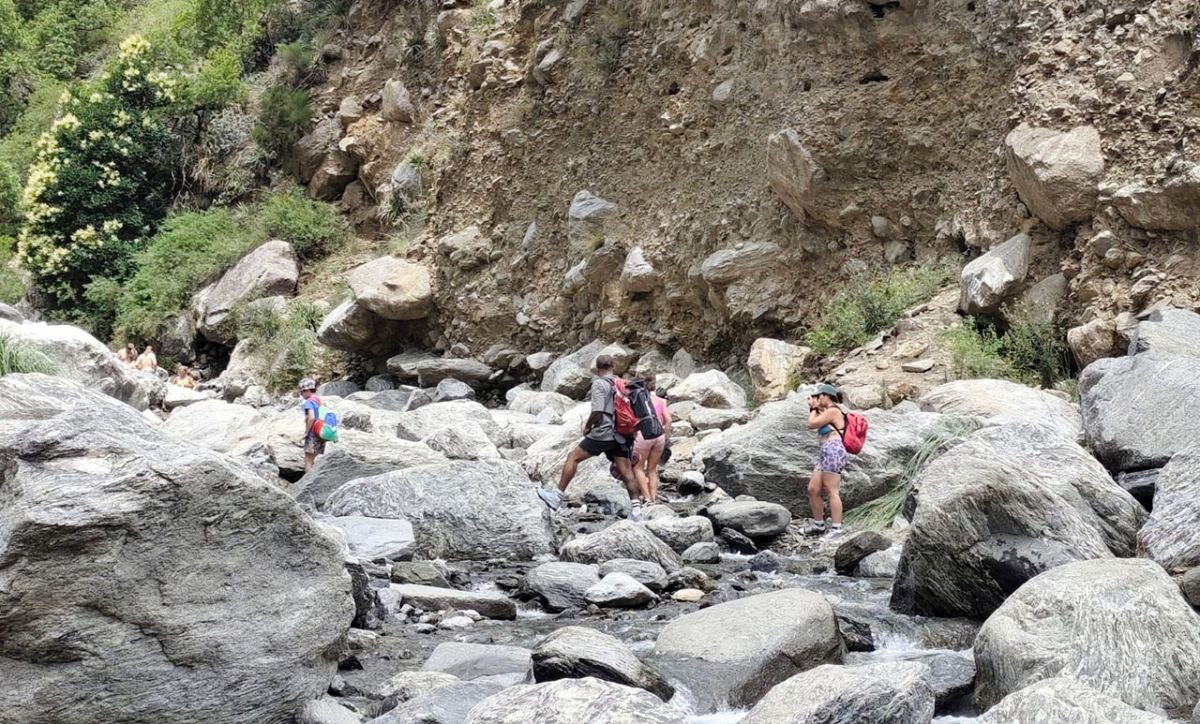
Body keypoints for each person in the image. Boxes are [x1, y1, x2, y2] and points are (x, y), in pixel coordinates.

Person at [537, 355, 643, 518]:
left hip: (604, 433)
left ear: (597, 369)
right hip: (623, 434)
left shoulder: (599, 384)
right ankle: (637, 511)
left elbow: (598, 411)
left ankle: (556, 497)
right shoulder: (621, 383)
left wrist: (588, 427)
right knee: (627, 473)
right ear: (613, 367)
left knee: (573, 457)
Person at [803, 383, 848, 539]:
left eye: (818, 396)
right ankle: (818, 525)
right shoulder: (826, 412)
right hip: (825, 451)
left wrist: (813, 408)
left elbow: (811, 423)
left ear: (826, 396)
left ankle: (836, 529)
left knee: (831, 489)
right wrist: (815, 408)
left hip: (834, 450)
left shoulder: (834, 411)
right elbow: (815, 423)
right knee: (813, 489)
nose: (816, 399)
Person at [632, 374, 671, 503]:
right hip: (659, 435)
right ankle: (654, 498)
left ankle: (647, 497)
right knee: (653, 470)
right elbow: (668, 420)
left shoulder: (636, 401)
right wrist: (665, 437)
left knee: (638, 467)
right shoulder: (661, 400)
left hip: (643, 436)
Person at [299, 378, 325, 471]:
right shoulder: (319, 400)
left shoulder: (309, 401)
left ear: (306, 390)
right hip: (321, 433)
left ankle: (307, 483)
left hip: (312, 434)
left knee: (308, 460)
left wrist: (306, 432)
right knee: (313, 458)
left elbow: (312, 417)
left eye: (301, 392)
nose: (301, 394)